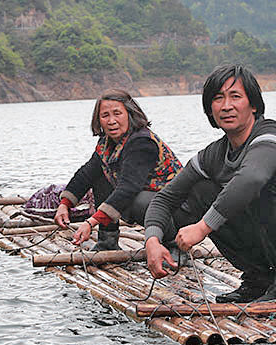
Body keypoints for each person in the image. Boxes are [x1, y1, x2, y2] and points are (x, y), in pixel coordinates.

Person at [143, 64, 276, 302]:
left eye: (235, 97)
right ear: (209, 109)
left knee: (259, 184)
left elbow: (252, 178)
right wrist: (152, 239)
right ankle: (259, 278)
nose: (226, 106)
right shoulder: (214, 154)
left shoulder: (271, 136)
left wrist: (202, 227)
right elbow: (165, 198)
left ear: (253, 104)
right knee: (203, 189)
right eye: (218, 98)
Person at [54, 90, 182, 251]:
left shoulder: (142, 142)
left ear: (130, 114)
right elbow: (86, 174)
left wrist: (90, 222)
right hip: (151, 204)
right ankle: (107, 241)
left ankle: (173, 245)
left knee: (139, 200)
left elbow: (128, 188)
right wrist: (64, 205)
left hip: (177, 210)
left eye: (117, 113)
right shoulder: (106, 143)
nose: (111, 121)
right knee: (100, 177)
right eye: (105, 115)